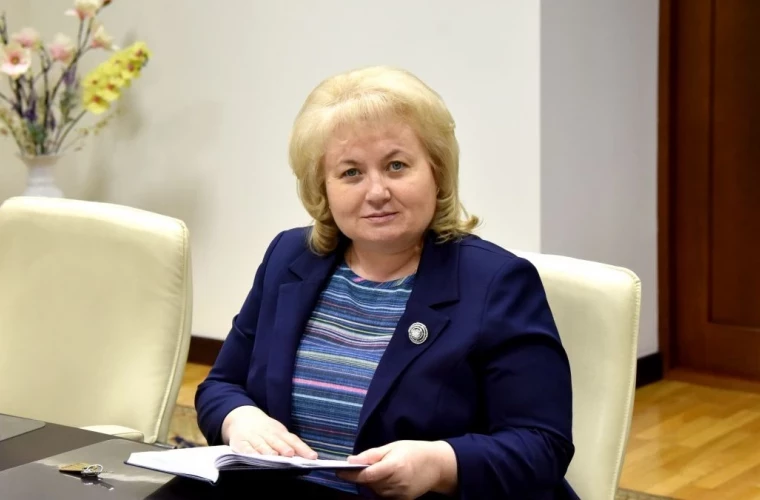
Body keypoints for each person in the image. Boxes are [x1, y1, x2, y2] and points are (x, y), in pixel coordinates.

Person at [195, 65, 578, 499]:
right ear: (323, 187)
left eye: (396, 166)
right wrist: (240, 419)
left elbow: (541, 446)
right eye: (351, 173)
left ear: (436, 171)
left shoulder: (497, 283)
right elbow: (221, 385)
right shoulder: (289, 258)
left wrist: (440, 464)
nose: (376, 192)